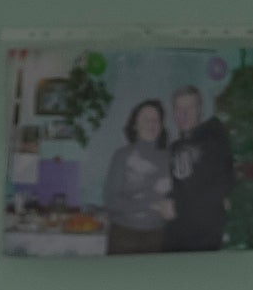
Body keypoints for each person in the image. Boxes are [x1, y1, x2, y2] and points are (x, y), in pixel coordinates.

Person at [163, 80, 236, 252]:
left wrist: (175, 206)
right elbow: (186, 185)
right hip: (177, 233)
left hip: (202, 238)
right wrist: (169, 198)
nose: (184, 114)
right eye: (179, 109)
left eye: (190, 108)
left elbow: (221, 187)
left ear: (200, 110)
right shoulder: (175, 147)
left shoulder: (213, 140)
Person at [101, 96, 174, 254]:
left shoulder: (171, 156)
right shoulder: (122, 156)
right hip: (125, 235)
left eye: (156, 119)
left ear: (161, 126)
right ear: (134, 125)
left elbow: (177, 194)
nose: (151, 124)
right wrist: (150, 205)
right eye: (146, 119)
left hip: (159, 235)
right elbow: (110, 201)